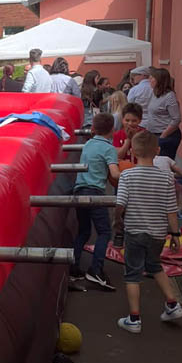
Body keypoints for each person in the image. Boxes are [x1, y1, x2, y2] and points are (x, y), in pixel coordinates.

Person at [113, 130, 182, 333]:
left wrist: (117, 223)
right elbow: (171, 210)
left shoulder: (127, 175)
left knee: (133, 274)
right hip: (158, 233)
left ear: (133, 151)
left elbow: (121, 204)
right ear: (158, 151)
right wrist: (175, 234)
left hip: (135, 231)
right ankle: (172, 304)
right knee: (155, 266)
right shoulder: (166, 178)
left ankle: (134, 319)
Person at [70, 112, 120, 290]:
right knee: (105, 232)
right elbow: (114, 173)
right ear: (112, 130)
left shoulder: (89, 144)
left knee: (83, 231)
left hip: (79, 190)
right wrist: (130, 176)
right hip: (95, 192)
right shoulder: (109, 149)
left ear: (93, 129)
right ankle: (96, 270)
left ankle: (74, 267)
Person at [146, 68, 181, 159]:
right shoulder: (154, 94)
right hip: (154, 134)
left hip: (166, 136)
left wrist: (163, 136)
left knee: (163, 163)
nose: (149, 80)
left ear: (159, 80)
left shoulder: (169, 96)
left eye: (152, 77)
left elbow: (176, 118)